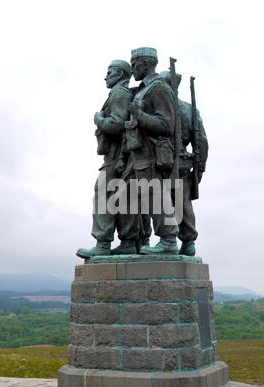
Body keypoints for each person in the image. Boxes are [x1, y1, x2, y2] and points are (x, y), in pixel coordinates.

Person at [77, 60, 139, 258]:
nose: (106, 76)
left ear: (120, 74)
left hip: (116, 156)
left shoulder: (119, 93)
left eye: (109, 72)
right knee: (123, 199)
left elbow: (117, 124)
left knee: (103, 194)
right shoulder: (122, 93)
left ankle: (103, 244)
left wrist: (98, 119)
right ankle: (128, 242)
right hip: (123, 155)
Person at [126, 47, 179, 255]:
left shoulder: (158, 88)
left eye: (135, 64)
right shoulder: (142, 89)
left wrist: (140, 116)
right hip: (137, 153)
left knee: (154, 194)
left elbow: (168, 124)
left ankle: (168, 240)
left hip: (152, 153)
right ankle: (132, 241)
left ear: (146, 64)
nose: (132, 69)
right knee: (134, 195)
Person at [160, 70, 208, 256]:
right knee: (180, 202)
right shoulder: (189, 110)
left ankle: (180, 241)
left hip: (165, 162)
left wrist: (199, 169)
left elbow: (201, 142)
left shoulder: (161, 107)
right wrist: (200, 168)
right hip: (179, 163)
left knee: (167, 202)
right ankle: (187, 241)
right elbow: (201, 142)